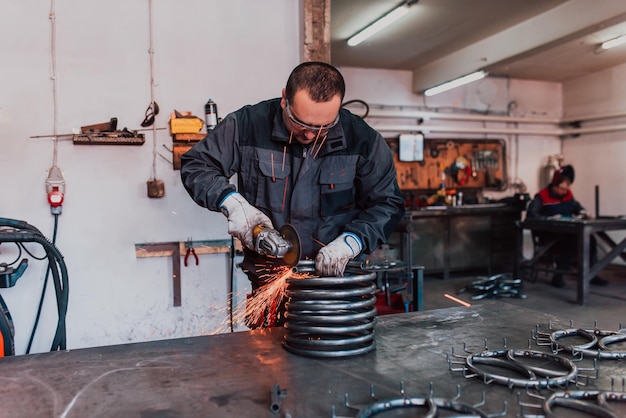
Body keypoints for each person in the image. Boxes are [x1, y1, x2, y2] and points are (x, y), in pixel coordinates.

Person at [180, 61, 405, 328]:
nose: (310, 134)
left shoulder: (363, 140)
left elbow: (387, 203)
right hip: (269, 282)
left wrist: (352, 241)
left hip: (336, 284)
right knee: (269, 363)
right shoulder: (248, 125)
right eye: (300, 123)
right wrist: (233, 203)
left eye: (323, 127)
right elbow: (197, 166)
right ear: (285, 98)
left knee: (338, 363)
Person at [526, 164, 608, 288]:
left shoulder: (568, 195)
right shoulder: (542, 197)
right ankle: (558, 277)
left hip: (568, 232)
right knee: (571, 241)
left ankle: (591, 274)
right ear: (554, 185)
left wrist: (583, 213)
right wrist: (549, 219)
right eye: (562, 188)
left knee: (590, 240)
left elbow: (577, 208)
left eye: (566, 188)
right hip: (549, 234)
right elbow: (531, 215)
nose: (564, 191)